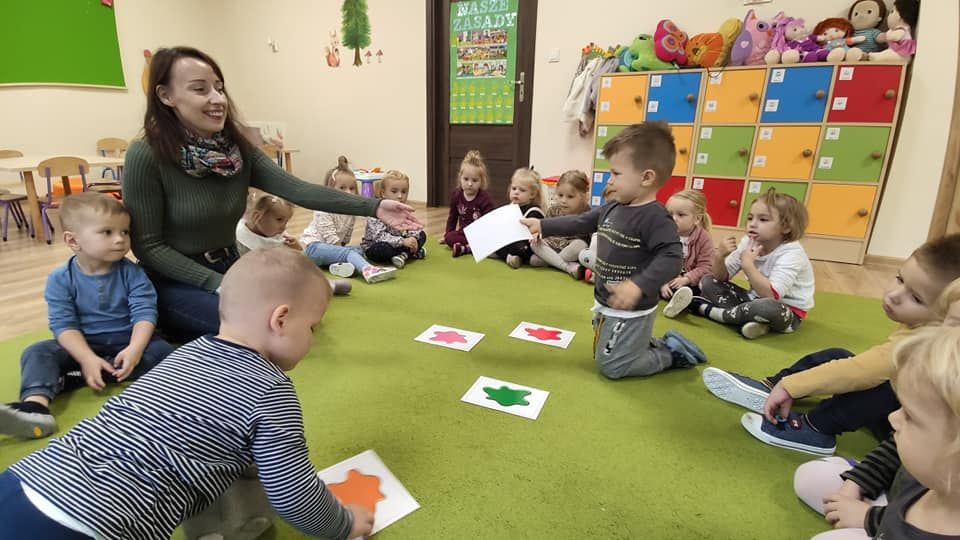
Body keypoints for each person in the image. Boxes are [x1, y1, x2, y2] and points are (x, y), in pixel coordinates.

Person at [0, 249, 375, 540]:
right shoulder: (271, 391)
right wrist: (343, 523)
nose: (312, 339)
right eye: (311, 327)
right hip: (90, 525)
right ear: (281, 319)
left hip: (25, 480)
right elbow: (293, 492)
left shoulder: (187, 353)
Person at [123, 47, 418, 342]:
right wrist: (216, 283)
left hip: (231, 265)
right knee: (261, 325)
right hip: (173, 279)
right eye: (200, 89)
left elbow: (298, 190)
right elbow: (149, 246)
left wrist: (375, 207)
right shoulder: (145, 154)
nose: (218, 99)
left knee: (297, 310)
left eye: (219, 88)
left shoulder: (235, 151)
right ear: (165, 95)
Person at [703, 234, 960, 455]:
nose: (894, 295)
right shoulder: (924, 324)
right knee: (840, 356)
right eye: (900, 279)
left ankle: (815, 428)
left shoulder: (924, 342)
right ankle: (770, 387)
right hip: (901, 411)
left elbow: (863, 372)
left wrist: (792, 386)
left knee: (881, 386)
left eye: (916, 298)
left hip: (910, 432)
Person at [521, 122, 705, 379]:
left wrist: (638, 285)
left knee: (613, 367)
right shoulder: (614, 206)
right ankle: (647, 343)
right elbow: (581, 222)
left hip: (631, 308)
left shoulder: (655, 217)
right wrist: (542, 225)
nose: (609, 180)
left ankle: (671, 353)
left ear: (646, 177)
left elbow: (672, 257)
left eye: (616, 173)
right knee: (608, 345)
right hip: (607, 300)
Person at [0, 192, 173, 440]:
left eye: (125, 232)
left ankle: (78, 377)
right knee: (36, 352)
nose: (120, 239)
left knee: (164, 353)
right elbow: (63, 325)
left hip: (127, 343)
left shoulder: (133, 273)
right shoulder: (60, 279)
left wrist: (135, 349)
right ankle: (35, 407)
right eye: (107, 232)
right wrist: (86, 357)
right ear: (73, 241)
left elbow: (145, 312)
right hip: (83, 345)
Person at [802, 326, 960, 539]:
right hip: (893, 506)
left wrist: (867, 518)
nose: (893, 418)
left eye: (910, 416)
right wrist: (859, 483)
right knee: (810, 478)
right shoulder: (933, 475)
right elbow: (894, 450)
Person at [667, 188, 815, 339]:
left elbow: (771, 295)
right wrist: (719, 256)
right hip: (752, 300)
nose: (752, 224)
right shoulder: (749, 241)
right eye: (750, 218)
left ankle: (707, 310)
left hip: (785, 311)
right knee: (708, 281)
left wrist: (748, 265)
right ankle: (752, 322)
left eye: (763, 220)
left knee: (767, 307)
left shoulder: (791, 253)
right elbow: (721, 277)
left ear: (786, 227)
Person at [300, 156, 397, 284]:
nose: (349, 192)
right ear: (330, 190)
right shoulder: (323, 208)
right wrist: (342, 251)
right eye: (342, 188)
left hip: (332, 248)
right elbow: (329, 236)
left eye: (352, 188)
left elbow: (346, 235)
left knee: (360, 250)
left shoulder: (349, 210)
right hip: (314, 248)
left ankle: (338, 266)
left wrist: (343, 248)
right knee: (348, 253)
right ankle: (368, 270)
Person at [236, 191, 352, 295]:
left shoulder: (276, 234)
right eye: (279, 220)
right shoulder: (241, 236)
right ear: (257, 216)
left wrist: (296, 248)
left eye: (286, 221)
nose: (283, 227)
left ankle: (325, 285)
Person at [660, 190, 714, 317]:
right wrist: (662, 283)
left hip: (691, 283)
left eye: (681, 215)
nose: (673, 219)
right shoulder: (663, 234)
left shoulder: (703, 238)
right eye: (669, 214)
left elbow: (706, 266)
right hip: (668, 280)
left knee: (704, 287)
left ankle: (690, 303)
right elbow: (657, 261)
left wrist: (687, 279)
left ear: (697, 219)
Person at [530, 170, 591, 279]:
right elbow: (544, 231)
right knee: (533, 243)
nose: (563, 200)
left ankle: (550, 261)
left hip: (571, 249)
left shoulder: (588, 213)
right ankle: (566, 267)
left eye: (570, 197)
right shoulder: (553, 210)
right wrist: (538, 235)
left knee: (580, 245)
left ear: (583, 196)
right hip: (552, 245)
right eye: (560, 195)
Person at [362, 170, 427, 269]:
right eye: (394, 191)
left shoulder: (404, 209)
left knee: (422, 235)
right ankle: (408, 253)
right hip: (377, 244)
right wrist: (402, 241)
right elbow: (379, 237)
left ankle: (403, 254)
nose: (400, 196)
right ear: (383, 193)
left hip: (399, 242)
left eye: (404, 192)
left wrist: (412, 238)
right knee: (382, 248)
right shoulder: (376, 211)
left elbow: (410, 227)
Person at [443, 150, 495, 258]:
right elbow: (452, 217)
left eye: (475, 180)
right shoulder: (456, 195)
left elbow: (490, 223)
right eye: (466, 179)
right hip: (463, 234)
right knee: (449, 238)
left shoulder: (485, 199)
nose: (470, 184)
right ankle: (470, 247)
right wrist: (447, 234)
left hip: (480, 234)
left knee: (488, 241)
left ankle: (467, 248)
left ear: (481, 181)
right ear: (460, 178)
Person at [496, 167, 547, 269]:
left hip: (526, 245)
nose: (516, 192)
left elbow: (536, 234)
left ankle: (524, 258)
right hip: (511, 242)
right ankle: (510, 258)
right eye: (514, 188)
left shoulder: (534, 211)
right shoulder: (510, 207)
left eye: (522, 190)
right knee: (495, 241)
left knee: (522, 247)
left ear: (532, 194)